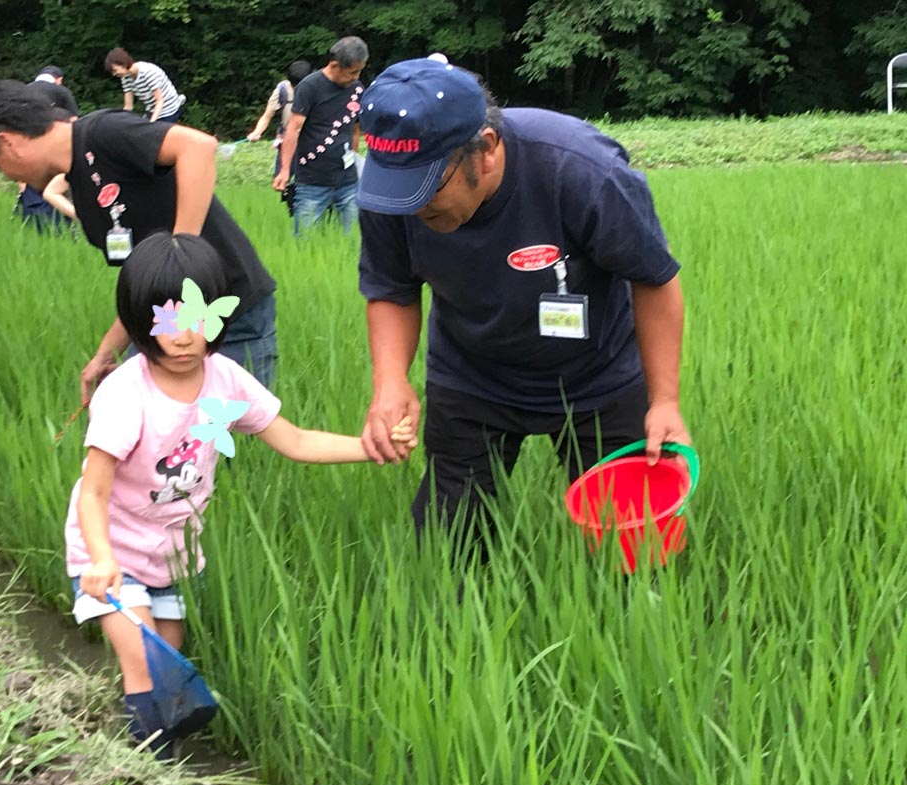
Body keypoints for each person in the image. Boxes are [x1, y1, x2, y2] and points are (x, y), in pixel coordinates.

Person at [67, 231, 415, 758]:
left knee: (169, 663)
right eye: (170, 322)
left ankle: (149, 747)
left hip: (175, 557)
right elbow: (93, 492)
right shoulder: (126, 394)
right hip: (111, 555)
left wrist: (371, 447)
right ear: (141, 320)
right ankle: (147, 777)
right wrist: (102, 559)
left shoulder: (226, 379)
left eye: (200, 320)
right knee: (144, 659)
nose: (186, 339)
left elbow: (294, 440)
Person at [354, 59, 691, 552]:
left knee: (636, 546)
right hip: (472, 373)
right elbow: (391, 287)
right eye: (399, 190)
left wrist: (664, 402)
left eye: (428, 189)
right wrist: (390, 381)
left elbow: (654, 279)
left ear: (485, 150)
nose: (414, 209)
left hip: (595, 375)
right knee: (450, 549)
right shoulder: (391, 195)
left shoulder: (580, 170)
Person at [0, 80, 279, 398]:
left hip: (229, 313)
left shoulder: (101, 132)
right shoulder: (80, 188)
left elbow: (198, 147)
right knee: (147, 435)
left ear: (7, 143)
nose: (8, 177)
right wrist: (105, 353)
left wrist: (181, 253)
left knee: (230, 434)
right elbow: (142, 283)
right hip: (166, 319)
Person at [273, 37, 367, 236]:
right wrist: (284, 170)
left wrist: (354, 158)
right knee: (304, 242)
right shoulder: (310, 87)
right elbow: (294, 129)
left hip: (348, 180)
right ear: (334, 65)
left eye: (359, 71)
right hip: (311, 181)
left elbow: (355, 128)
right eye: (352, 72)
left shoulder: (356, 89)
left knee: (354, 240)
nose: (356, 77)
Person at [15, 77, 78, 235]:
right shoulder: (63, 96)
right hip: (42, 203)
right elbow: (52, 193)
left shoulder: (30, 140)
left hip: (38, 195)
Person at [246, 59, 313, 178]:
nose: (297, 89)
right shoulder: (282, 90)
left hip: (312, 142)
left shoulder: (317, 89)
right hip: (287, 141)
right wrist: (257, 132)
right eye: (294, 86)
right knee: (282, 180)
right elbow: (267, 116)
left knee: (308, 182)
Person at [104, 49, 185, 124]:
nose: (114, 74)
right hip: (151, 109)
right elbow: (128, 106)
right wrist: (124, 122)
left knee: (155, 137)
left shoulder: (148, 72)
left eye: (115, 70)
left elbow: (160, 101)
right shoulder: (125, 77)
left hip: (168, 109)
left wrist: (151, 123)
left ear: (123, 63)